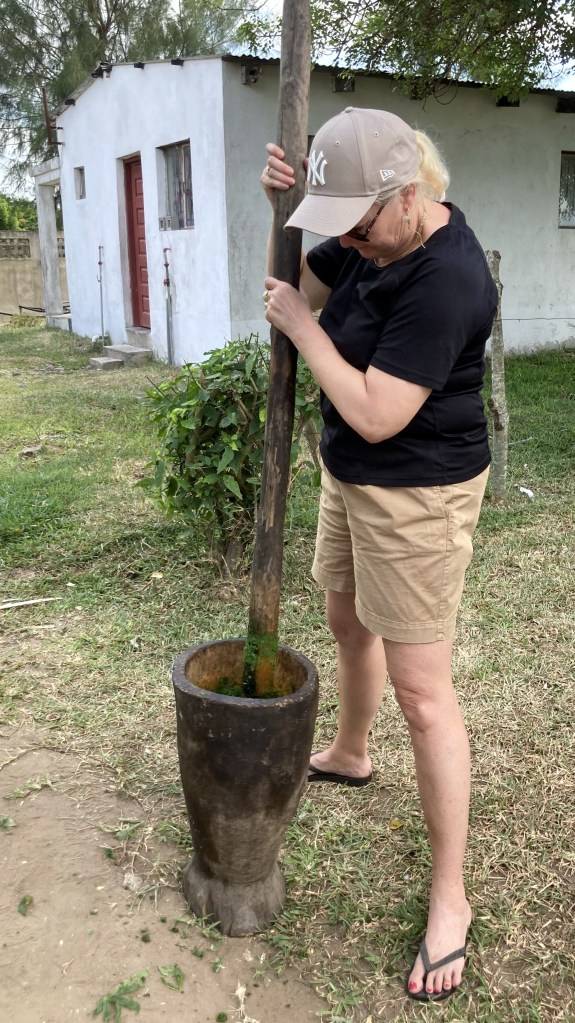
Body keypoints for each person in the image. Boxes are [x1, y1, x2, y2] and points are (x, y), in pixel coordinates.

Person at [260, 106, 497, 1003]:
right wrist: (284, 211)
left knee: (423, 693)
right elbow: (295, 285)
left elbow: (373, 411)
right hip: (351, 474)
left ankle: (450, 898)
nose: (349, 243)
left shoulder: (447, 278)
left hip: (417, 492)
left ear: (406, 195)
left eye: (357, 225)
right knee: (344, 619)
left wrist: (304, 330)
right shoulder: (369, 229)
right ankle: (352, 750)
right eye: (339, 226)